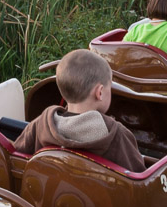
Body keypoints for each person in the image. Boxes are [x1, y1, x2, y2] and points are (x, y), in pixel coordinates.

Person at [12, 49, 146, 172]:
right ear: (99, 93)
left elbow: (17, 158)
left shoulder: (41, 124)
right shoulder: (116, 135)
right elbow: (139, 178)